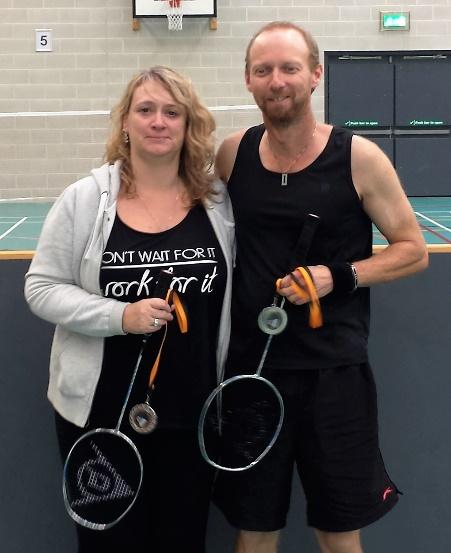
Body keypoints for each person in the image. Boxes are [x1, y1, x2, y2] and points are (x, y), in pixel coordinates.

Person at [213, 22, 428, 553]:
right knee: (254, 531)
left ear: (314, 75)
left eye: (289, 68)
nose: (277, 81)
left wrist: (342, 275)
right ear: (247, 79)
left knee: (337, 533)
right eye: (263, 70)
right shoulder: (232, 154)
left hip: (334, 377)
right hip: (253, 371)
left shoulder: (359, 157)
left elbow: (412, 250)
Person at [24, 66, 234, 553]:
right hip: (100, 417)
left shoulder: (217, 202)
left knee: (183, 543)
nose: (158, 121)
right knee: (108, 547)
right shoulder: (84, 200)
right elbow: (41, 287)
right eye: (145, 110)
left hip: (192, 415)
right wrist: (120, 316)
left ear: (188, 124)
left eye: (172, 112)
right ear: (125, 122)